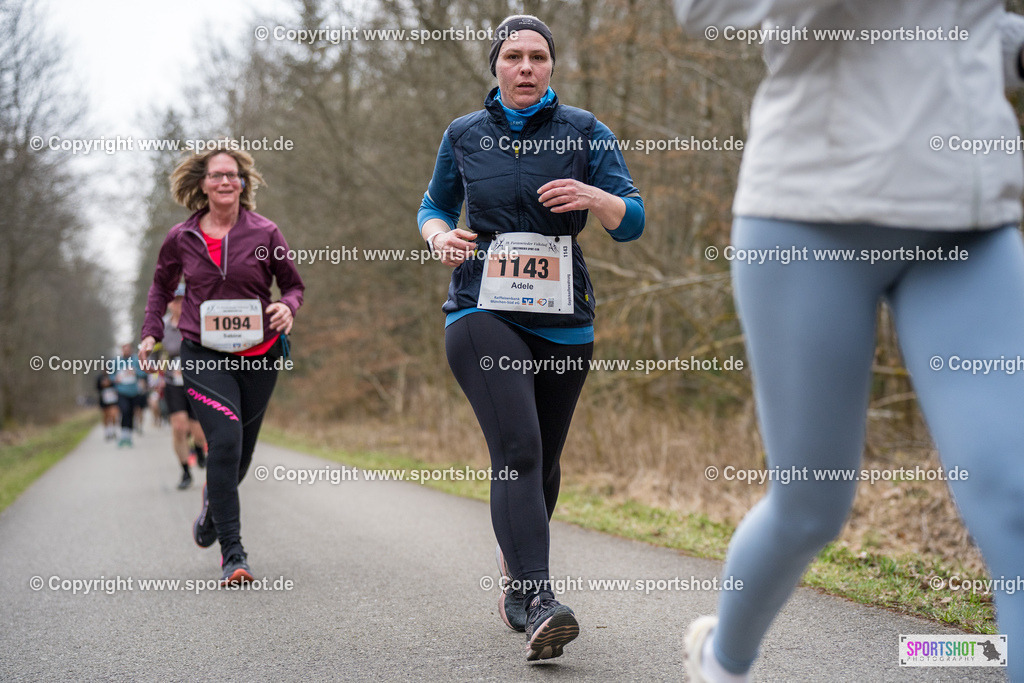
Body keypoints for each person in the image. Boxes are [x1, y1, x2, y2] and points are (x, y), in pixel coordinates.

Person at [672, 3, 1024, 681]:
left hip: (968, 221)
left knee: (1016, 499)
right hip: (810, 212)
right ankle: (722, 660)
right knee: (810, 506)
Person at [418, 14, 644, 661]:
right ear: (495, 65)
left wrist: (595, 197)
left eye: (537, 56)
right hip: (480, 307)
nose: (525, 67)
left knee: (542, 462)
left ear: (551, 66)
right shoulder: (464, 133)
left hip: (564, 318)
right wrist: (439, 237)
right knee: (517, 448)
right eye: (513, 55)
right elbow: (434, 205)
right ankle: (543, 598)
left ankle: (517, 576)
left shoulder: (585, 131)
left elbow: (632, 219)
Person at [138, 148, 304, 585]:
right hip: (203, 351)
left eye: (232, 175)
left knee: (241, 454)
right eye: (217, 175)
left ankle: (213, 508)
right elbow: (160, 288)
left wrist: (287, 307)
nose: (226, 181)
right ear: (203, 184)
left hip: (260, 354)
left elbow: (292, 285)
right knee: (225, 442)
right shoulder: (182, 237)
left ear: (243, 183)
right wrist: (151, 333)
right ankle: (234, 553)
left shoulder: (265, 231)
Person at [159, 282, 198, 490]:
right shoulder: (162, 327)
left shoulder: (199, 321)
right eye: (175, 301)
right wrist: (155, 373)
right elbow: (154, 354)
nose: (179, 304)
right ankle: (185, 471)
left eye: (183, 300)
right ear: (169, 303)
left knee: (199, 431)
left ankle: (199, 448)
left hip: (199, 382)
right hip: (173, 383)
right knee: (179, 427)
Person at [112, 343, 144, 447]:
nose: (126, 351)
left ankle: (128, 438)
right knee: (124, 411)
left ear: (131, 350)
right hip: (122, 391)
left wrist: (135, 372)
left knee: (131, 413)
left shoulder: (136, 360)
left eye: (128, 349)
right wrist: (115, 379)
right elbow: (111, 375)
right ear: (122, 350)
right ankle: (123, 436)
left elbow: (144, 373)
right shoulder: (116, 361)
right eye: (124, 349)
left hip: (134, 392)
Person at [96, 372, 119, 441]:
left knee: (113, 415)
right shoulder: (99, 377)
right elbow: (97, 388)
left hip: (113, 398)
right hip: (104, 399)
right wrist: (103, 385)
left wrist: (111, 383)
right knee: (106, 416)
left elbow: (118, 385)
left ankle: (113, 430)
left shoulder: (113, 376)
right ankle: (107, 432)